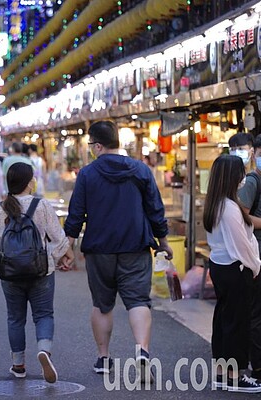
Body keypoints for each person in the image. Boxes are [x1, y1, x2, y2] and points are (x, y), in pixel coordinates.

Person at [64, 120, 173, 380]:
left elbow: (76, 214)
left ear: (98, 145)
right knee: (138, 300)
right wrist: (164, 240)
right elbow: (155, 210)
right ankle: (142, 351)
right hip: (135, 246)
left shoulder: (88, 174)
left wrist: (65, 247)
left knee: (102, 304)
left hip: (99, 249)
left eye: (91, 145)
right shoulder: (141, 170)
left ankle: (103, 358)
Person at [0, 162, 74, 383]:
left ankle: (18, 364)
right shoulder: (41, 206)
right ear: (29, 182)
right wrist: (64, 255)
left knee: (15, 318)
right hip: (41, 271)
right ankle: (43, 350)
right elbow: (58, 238)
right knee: (43, 314)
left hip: (10, 273)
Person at [203, 154, 261, 392]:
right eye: (241, 172)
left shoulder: (216, 203)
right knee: (238, 323)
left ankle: (221, 371)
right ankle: (236, 375)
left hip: (220, 266)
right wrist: (256, 266)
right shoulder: (229, 208)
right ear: (232, 176)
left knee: (223, 320)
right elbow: (242, 246)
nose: (243, 177)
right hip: (236, 268)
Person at [233, 134, 261, 381]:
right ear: (256, 153)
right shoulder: (253, 181)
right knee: (256, 313)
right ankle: (257, 365)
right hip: (256, 255)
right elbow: (241, 215)